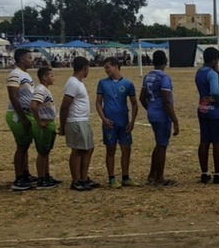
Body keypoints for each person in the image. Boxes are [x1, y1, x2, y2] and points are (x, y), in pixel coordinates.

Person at [95, 57, 139, 189]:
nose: (106, 70)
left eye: (107, 67)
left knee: (126, 149)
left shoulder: (128, 84)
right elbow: (98, 103)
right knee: (110, 149)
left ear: (115, 66)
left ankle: (125, 177)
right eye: (105, 68)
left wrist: (132, 121)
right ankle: (111, 178)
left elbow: (134, 104)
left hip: (123, 122)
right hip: (109, 123)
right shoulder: (102, 83)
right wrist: (103, 118)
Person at [139, 50, 179, 186]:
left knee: (158, 144)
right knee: (162, 145)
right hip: (162, 115)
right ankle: (159, 178)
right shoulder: (164, 78)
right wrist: (175, 120)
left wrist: (150, 108)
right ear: (165, 62)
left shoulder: (148, 76)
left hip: (152, 114)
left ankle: (152, 174)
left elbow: (142, 97)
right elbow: (166, 101)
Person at [59, 56, 98, 191]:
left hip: (82, 120)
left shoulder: (78, 82)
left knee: (88, 148)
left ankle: (83, 178)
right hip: (75, 120)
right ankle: (76, 180)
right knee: (78, 150)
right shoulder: (73, 83)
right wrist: (63, 125)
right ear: (85, 68)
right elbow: (65, 106)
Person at [195, 47, 219, 184]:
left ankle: (204, 173)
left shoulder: (199, 72)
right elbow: (215, 92)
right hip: (216, 112)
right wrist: (215, 98)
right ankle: (218, 174)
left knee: (204, 140)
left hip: (203, 109)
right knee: (217, 141)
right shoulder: (212, 74)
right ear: (214, 60)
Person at [6, 48, 36, 191]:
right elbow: (13, 96)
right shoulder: (15, 74)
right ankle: (18, 178)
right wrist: (22, 117)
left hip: (25, 113)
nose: (32, 60)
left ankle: (25, 173)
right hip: (17, 114)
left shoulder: (26, 74)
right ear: (22, 59)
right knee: (21, 146)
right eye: (29, 57)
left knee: (25, 144)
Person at [29, 67, 60, 189]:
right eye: (51, 76)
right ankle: (41, 179)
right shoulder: (41, 89)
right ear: (44, 77)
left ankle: (46, 176)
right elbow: (33, 105)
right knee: (42, 152)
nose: (54, 78)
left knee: (46, 151)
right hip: (44, 123)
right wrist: (39, 121)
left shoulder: (44, 89)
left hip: (48, 122)